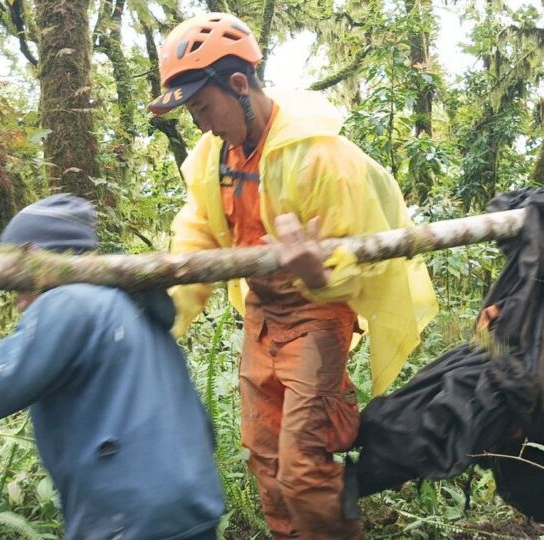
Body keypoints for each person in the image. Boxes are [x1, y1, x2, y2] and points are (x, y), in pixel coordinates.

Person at [148, 13, 437, 540]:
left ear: (238, 85)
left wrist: (319, 273)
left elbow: (355, 260)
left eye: (203, 107)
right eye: (191, 113)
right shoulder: (212, 158)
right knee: (264, 454)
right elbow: (195, 241)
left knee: (302, 463)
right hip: (262, 315)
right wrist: (167, 317)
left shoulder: (320, 156)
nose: (202, 125)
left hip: (319, 312)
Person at [0, 195, 224, 540]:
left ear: (37, 267)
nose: (17, 302)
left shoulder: (71, 303)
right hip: (188, 515)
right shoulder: (130, 303)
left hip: (136, 525)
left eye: (16, 283)